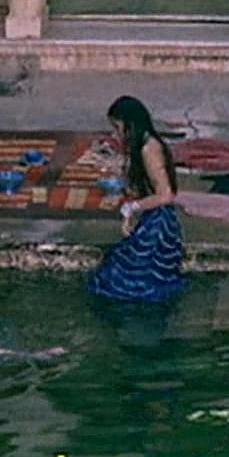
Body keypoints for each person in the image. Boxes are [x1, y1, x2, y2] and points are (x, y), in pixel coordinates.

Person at [87, 96, 186, 302]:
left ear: (130, 125)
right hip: (153, 216)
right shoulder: (143, 146)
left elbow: (166, 194)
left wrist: (132, 207)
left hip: (159, 222)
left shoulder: (149, 149)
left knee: (130, 276)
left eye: (118, 128)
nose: (117, 134)